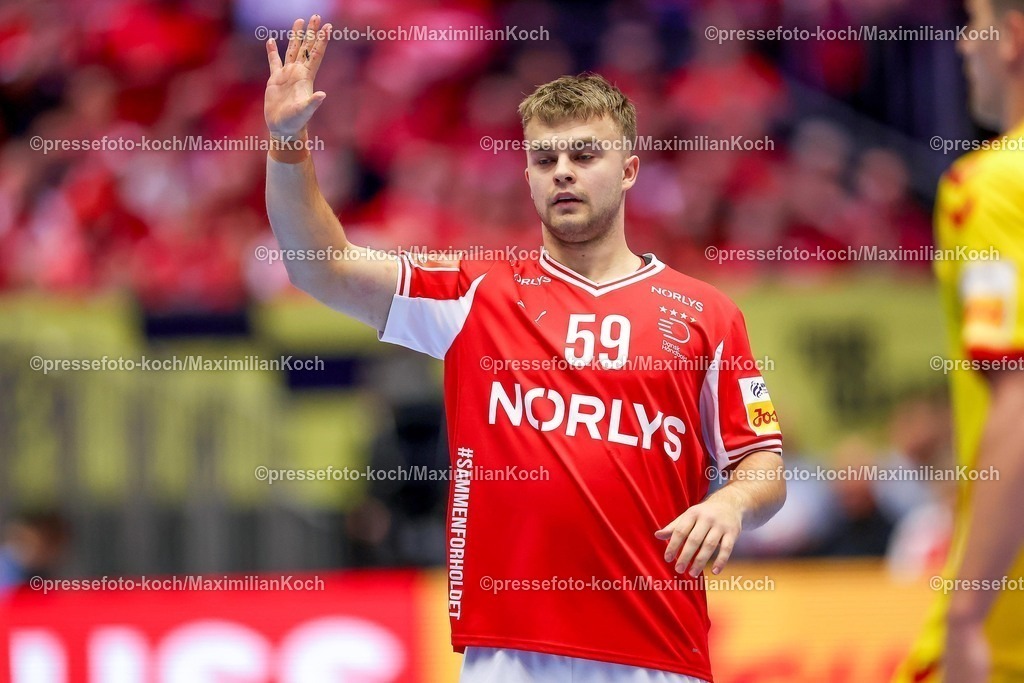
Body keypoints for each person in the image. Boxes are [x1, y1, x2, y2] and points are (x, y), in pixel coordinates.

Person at [264, 17, 786, 682]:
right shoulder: (475, 293)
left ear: (629, 170)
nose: (562, 172)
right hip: (508, 655)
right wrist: (287, 146)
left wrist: (731, 503)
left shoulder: (708, 314)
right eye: (545, 160)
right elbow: (321, 268)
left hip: (658, 655)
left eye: (584, 156)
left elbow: (762, 464)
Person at [893, 1, 1024, 681]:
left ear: (1013, 38)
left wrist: (969, 613)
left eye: (974, 26)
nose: (963, 46)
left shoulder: (993, 186)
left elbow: (1020, 399)